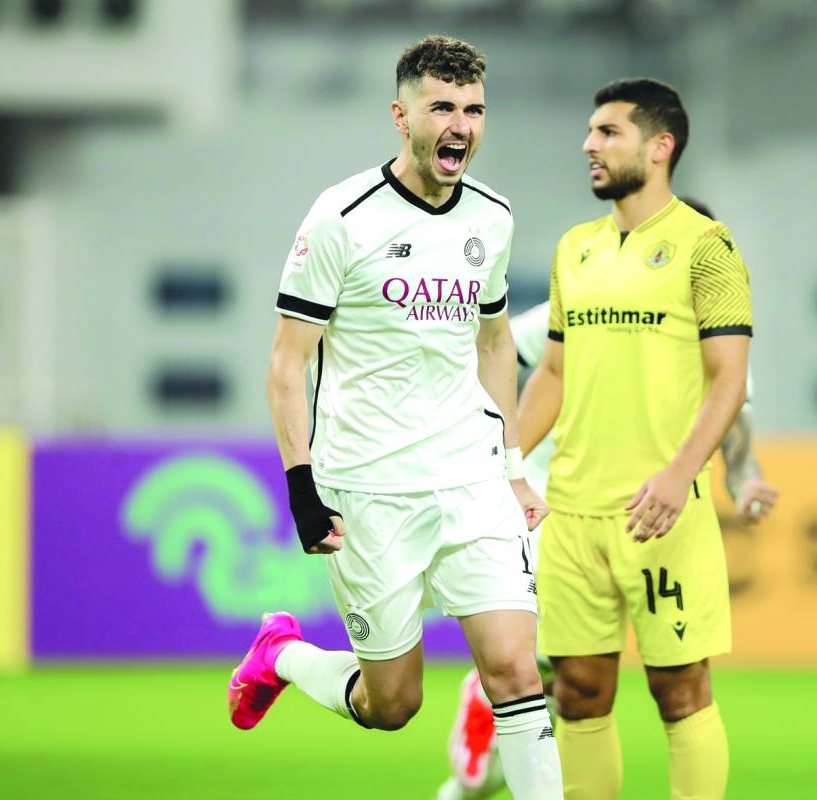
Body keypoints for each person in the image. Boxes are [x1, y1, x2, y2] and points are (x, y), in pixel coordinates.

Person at [226, 35, 563, 800]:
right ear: (400, 114)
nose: (460, 125)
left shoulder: (494, 217)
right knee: (393, 704)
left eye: (474, 110)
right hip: (369, 488)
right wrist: (302, 487)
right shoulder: (342, 218)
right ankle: (280, 656)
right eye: (442, 107)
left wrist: (511, 467)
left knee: (514, 666)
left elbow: (493, 340)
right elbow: (287, 363)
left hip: (468, 479)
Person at [434, 273, 778, 799]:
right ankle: (503, 685)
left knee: (579, 695)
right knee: (560, 678)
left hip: (654, 520)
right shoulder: (588, 302)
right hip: (556, 505)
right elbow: (499, 349)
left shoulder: (716, 337)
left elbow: (735, 431)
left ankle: (482, 736)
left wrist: (745, 480)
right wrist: (493, 456)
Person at [517, 78, 754, 800]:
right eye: (590, 131)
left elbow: (728, 383)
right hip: (571, 514)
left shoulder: (708, 249)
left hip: (660, 515)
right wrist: (501, 467)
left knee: (680, 693)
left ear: (660, 146)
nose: (589, 145)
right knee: (579, 694)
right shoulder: (573, 249)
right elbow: (552, 369)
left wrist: (678, 476)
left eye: (608, 132)